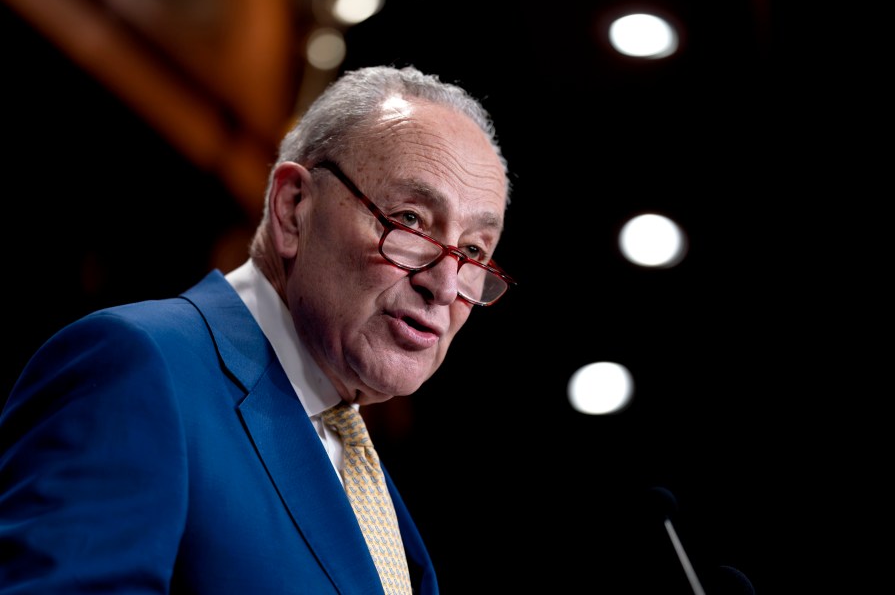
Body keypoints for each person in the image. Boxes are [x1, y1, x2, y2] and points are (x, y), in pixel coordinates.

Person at [0, 64, 515, 594]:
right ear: (294, 209)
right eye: (409, 220)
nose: (446, 284)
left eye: (473, 251)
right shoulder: (136, 365)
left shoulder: (361, 469)